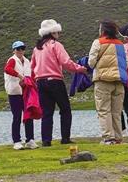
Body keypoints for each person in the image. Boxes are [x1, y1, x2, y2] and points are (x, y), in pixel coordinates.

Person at [30, 19, 87, 147]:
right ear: (53, 32)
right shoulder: (56, 45)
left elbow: (32, 66)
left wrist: (35, 80)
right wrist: (80, 69)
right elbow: (65, 62)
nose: (59, 34)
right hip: (55, 80)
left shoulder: (36, 48)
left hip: (41, 82)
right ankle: (65, 138)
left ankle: (46, 140)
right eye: (57, 32)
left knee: (47, 112)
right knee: (65, 109)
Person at [88, 20, 128, 145]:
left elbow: (91, 62)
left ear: (103, 30)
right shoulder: (121, 45)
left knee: (104, 110)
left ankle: (108, 138)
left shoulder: (98, 42)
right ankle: (118, 138)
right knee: (116, 112)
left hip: (103, 80)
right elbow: (126, 63)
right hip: (119, 81)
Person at [4, 40, 37, 150]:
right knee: (17, 116)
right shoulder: (12, 60)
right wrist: (19, 75)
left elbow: (31, 74)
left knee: (28, 115)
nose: (20, 51)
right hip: (14, 92)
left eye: (22, 48)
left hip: (26, 92)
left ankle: (30, 139)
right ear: (14, 50)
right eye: (18, 49)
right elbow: (7, 69)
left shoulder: (27, 61)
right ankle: (17, 141)